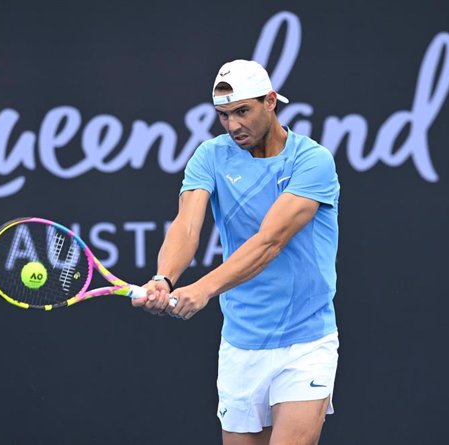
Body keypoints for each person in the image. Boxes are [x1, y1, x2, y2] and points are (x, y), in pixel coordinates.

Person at [133, 59, 340, 445]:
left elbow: (270, 242)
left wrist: (204, 288)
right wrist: (165, 278)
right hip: (241, 344)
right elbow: (187, 225)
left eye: (242, 111)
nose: (233, 126)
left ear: (271, 102)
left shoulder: (312, 161)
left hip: (306, 341)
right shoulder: (210, 156)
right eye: (223, 116)